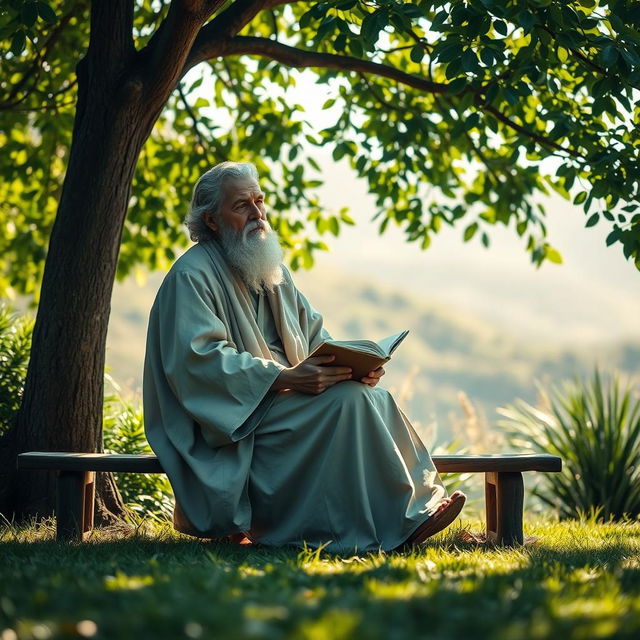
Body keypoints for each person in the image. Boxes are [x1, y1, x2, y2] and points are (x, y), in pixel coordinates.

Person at [143, 161, 465, 553]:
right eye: (242, 205)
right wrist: (283, 379)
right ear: (211, 220)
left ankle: (414, 510)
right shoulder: (190, 277)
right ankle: (402, 521)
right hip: (234, 427)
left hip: (283, 406)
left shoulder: (271, 269)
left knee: (371, 396)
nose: (257, 215)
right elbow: (200, 362)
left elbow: (315, 337)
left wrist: (351, 368)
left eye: (259, 201)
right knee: (350, 404)